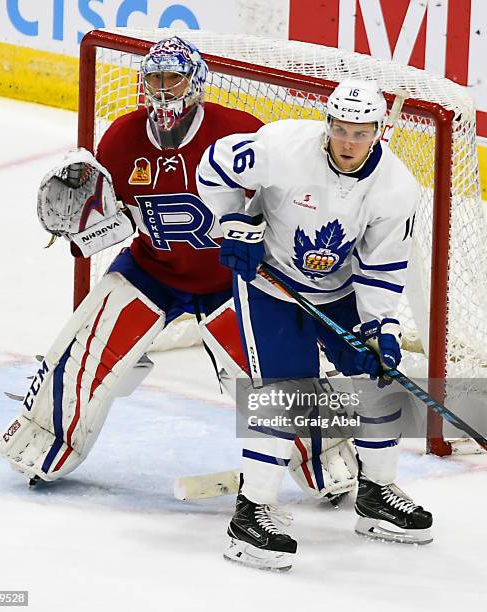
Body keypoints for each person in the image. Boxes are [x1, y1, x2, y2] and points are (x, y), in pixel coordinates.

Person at [0, 36, 356, 503]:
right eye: (155, 79)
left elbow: (285, 200)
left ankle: (333, 461)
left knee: (276, 372)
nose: (163, 91)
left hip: (232, 279)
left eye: (174, 78)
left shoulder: (238, 132)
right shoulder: (122, 138)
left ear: (196, 82)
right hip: (153, 271)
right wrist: (82, 228)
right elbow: (110, 225)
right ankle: (45, 444)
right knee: (84, 346)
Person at [197, 78, 433, 571]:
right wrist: (231, 223)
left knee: (377, 376)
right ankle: (252, 512)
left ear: (378, 132)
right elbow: (214, 165)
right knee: (286, 391)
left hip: (342, 290)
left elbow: (382, 268)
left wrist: (379, 330)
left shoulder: (396, 187)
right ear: (328, 124)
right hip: (271, 284)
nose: (349, 142)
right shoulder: (283, 146)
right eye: (341, 129)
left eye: (361, 132)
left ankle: (375, 494)